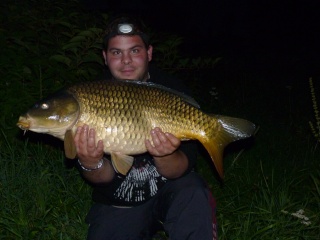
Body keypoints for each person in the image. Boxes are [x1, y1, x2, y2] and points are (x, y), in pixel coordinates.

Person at [74, 16, 217, 240]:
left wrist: (165, 154)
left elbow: (178, 170)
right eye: (116, 52)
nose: (126, 61)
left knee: (193, 192)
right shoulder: (91, 97)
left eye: (134, 51)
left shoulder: (171, 90)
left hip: (172, 192)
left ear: (149, 53)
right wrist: (91, 162)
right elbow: (103, 178)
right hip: (119, 201)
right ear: (105, 57)